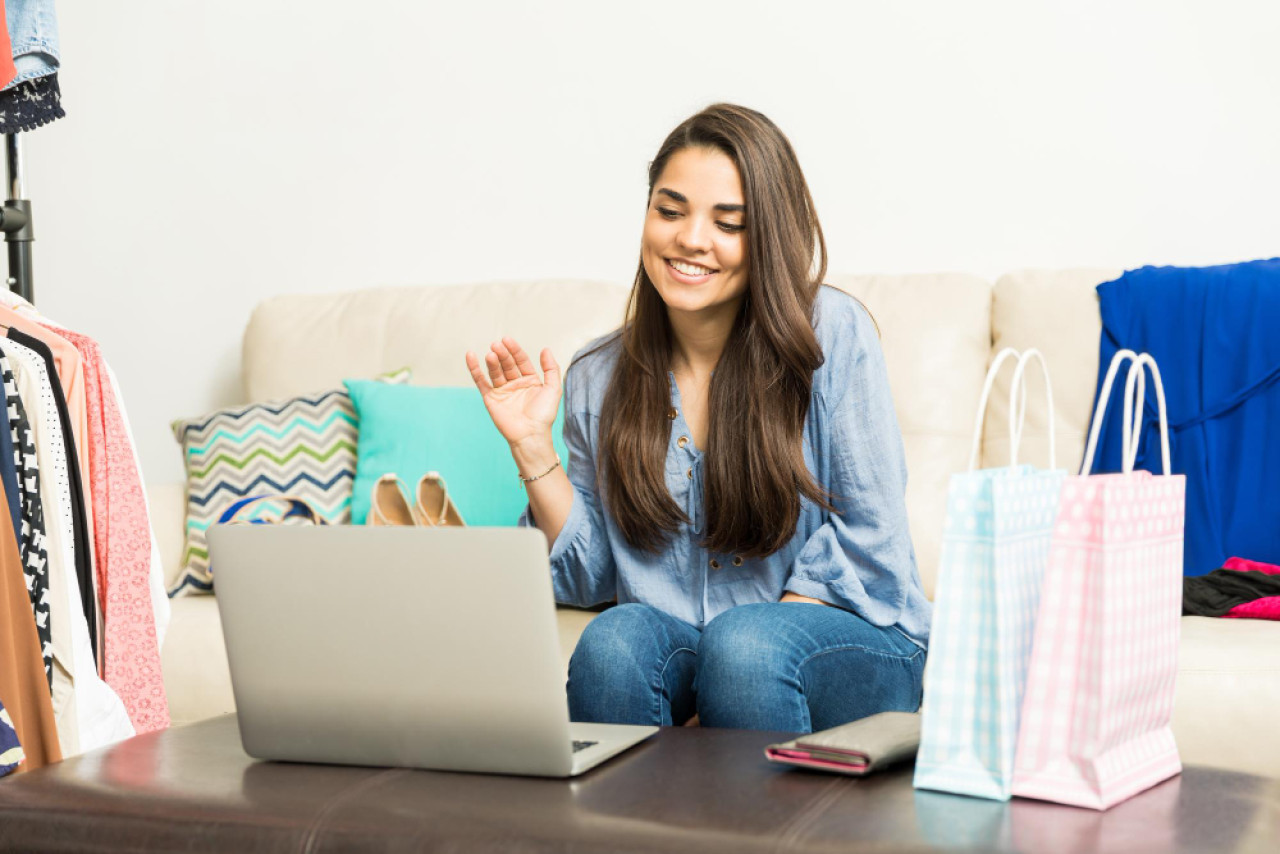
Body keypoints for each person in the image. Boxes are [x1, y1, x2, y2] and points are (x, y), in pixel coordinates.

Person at [465, 103, 929, 733]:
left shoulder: (830, 335)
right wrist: (528, 445)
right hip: (694, 639)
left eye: (728, 222)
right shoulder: (597, 375)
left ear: (769, 235)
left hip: (855, 639)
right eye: (671, 210)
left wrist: (727, 674)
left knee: (746, 649)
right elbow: (592, 575)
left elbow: (871, 541)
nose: (689, 239)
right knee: (615, 642)